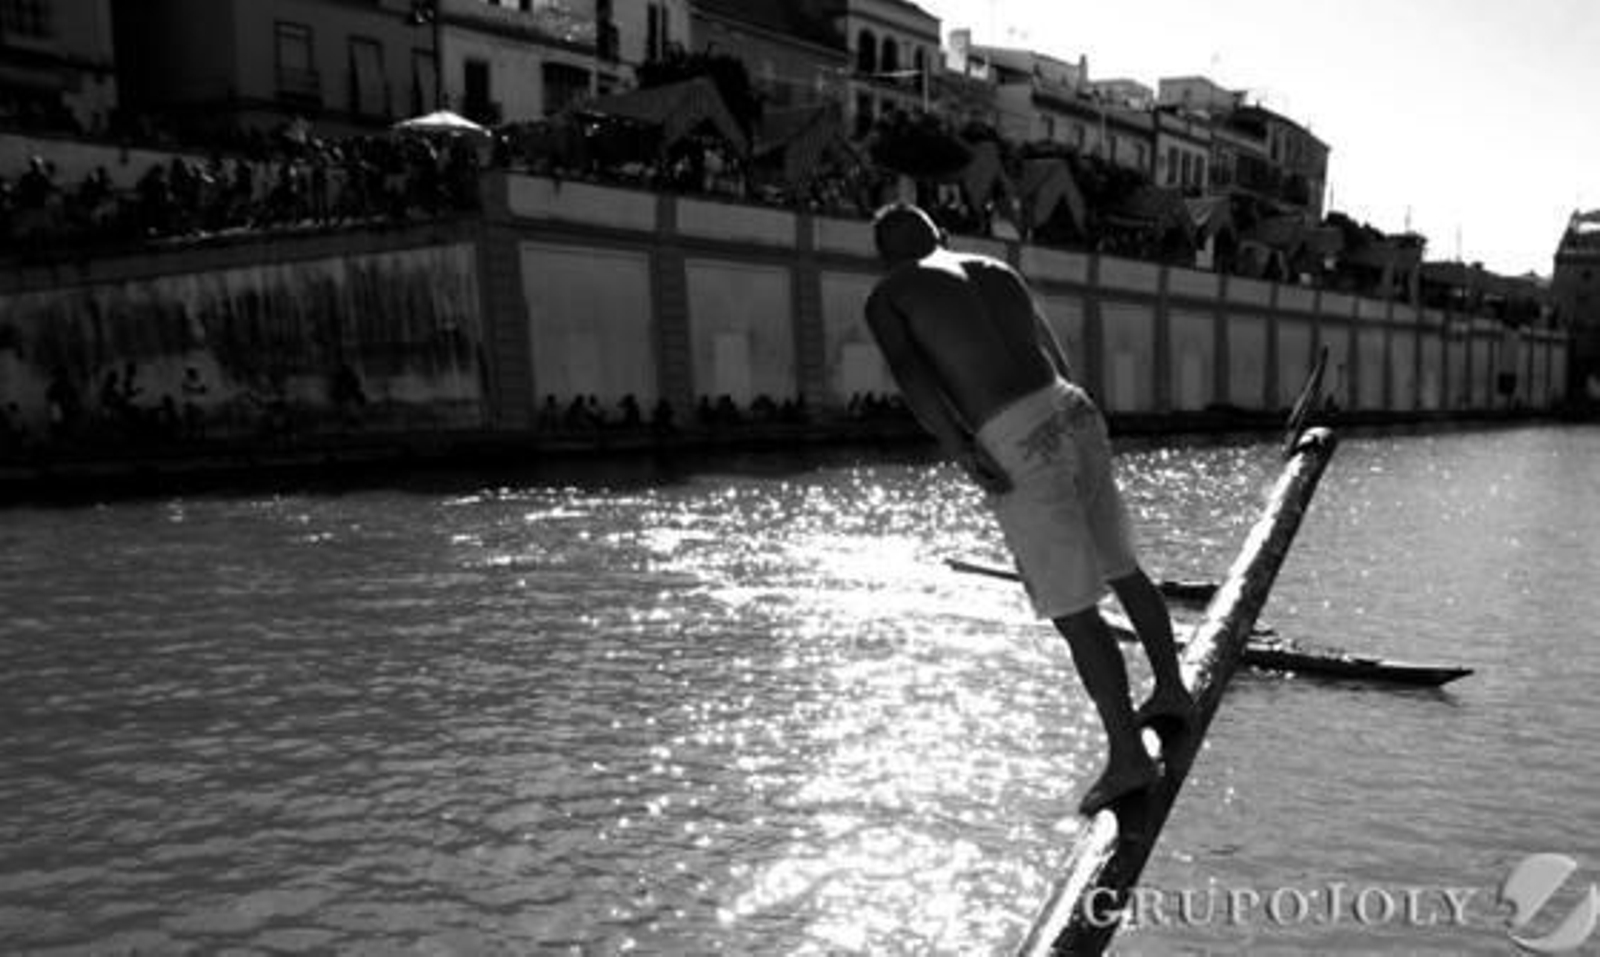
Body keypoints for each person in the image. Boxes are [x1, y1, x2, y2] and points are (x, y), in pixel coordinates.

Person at [863, 203, 1195, 815]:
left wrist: (961, 449)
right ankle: (1172, 690)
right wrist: (1066, 412)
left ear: (883, 256)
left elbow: (915, 380)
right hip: (1071, 407)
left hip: (1013, 432)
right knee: (1121, 566)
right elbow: (1054, 353)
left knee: (1074, 609)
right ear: (941, 236)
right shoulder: (996, 268)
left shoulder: (891, 294)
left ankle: (1128, 758)